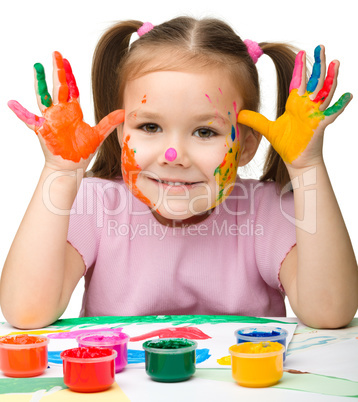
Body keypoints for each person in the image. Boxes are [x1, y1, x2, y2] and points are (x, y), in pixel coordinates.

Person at [1, 17, 357, 330]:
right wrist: (59, 172)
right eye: (151, 126)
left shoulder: (266, 211)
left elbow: (329, 312)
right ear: (122, 133)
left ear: (247, 145)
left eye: (205, 132)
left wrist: (307, 166)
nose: (174, 156)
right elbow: (27, 311)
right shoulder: (97, 204)